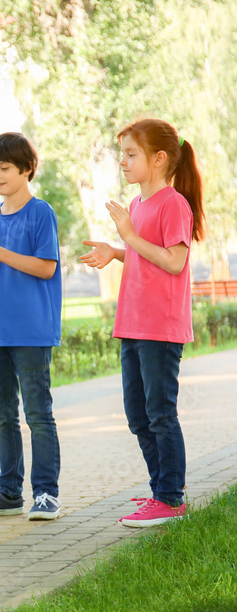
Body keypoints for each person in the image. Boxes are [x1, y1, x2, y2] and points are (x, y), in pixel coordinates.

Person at [81, 118, 204, 527]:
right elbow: (143, 253)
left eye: (131, 154)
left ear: (159, 158)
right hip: (131, 325)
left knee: (160, 414)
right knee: (138, 416)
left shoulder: (173, 204)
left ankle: (171, 499)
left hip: (160, 328)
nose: (123, 162)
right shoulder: (137, 205)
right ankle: (160, 492)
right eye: (123, 154)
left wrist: (129, 238)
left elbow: (174, 261)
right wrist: (116, 251)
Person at [0, 132, 63, 521]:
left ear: (26, 169)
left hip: (33, 331)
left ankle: (46, 494)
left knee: (38, 414)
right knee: (1, 415)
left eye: (4, 168)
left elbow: (46, 267)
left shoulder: (41, 213)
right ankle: (9, 492)